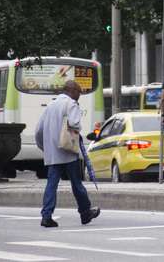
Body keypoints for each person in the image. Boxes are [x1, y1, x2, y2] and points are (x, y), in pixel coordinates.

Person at [35, 80, 100, 227]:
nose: (79, 96)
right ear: (71, 90)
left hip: (53, 153)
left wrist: (44, 147)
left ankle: (46, 216)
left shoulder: (50, 105)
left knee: (51, 184)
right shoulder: (71, 104)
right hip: (68, 151)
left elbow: (39, 130)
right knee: (76, 184)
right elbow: (75, 123)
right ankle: (85, 212)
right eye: (78, 92)